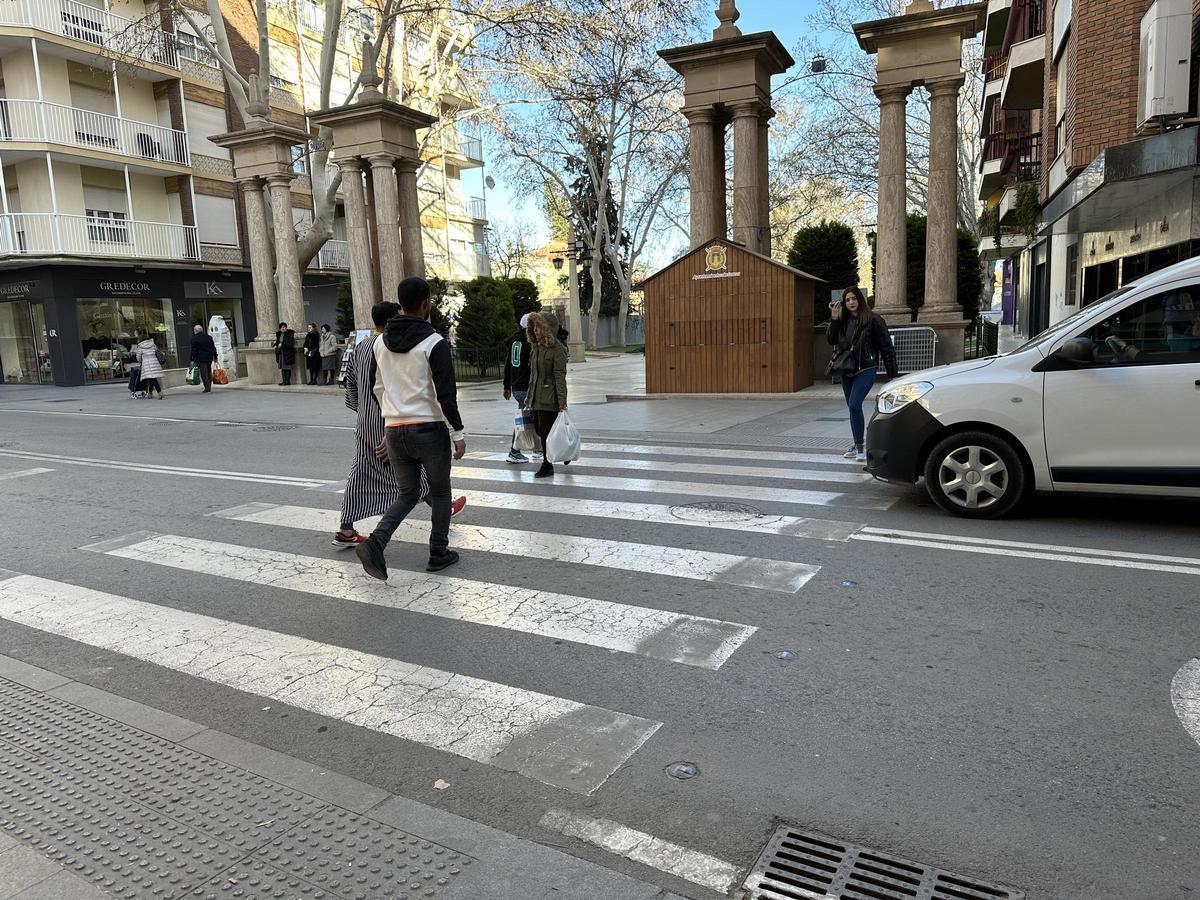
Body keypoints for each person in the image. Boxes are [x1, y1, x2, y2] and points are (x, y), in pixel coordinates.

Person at [356, 277, 466, 580]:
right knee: (441, 492)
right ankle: (438, 552)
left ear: (401, 304)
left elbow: (376, 387)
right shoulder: (434, 343)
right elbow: (446, 394)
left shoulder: (380, 343)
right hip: (428, 429)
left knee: (407, 493)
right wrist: (458, 432)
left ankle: (377, 541)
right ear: (426, 303)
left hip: (395, 429)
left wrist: (390, 419)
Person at [827, 286, 897, 462]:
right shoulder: (841, 320)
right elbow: (831, 340)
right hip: (846, 369)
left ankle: (860, 448)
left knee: (855, 404)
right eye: (848, 300)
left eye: (854, 299)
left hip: (866, 368)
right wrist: (834, 319)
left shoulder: (873, 320)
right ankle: (858, 444)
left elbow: (886, 347)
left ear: (860, 300)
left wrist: (892, 374)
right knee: (852, 408)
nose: (851, 302)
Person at [526, 311, 568, 479]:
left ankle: (547, 464)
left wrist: (562, 400)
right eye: (533, 327)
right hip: (537, 396)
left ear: (547, 328)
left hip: (550, 397)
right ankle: (564, 452)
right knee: (539, 430)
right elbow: (533, 375)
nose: (535, 330)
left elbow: (559, 376)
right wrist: (529, 395)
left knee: (545, 432)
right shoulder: (536, 347)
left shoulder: (557, 349)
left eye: (538, 327)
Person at [503, 312, 533, 464]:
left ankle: (536, 448)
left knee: (527, 418)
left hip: (516, 385)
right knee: (523, 420)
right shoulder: (529, 342)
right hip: (525, 385)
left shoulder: (514, 340)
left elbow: (508, 364)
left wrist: (506, 386)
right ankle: (514, 451)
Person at [133, 331, 166, 400]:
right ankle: (150, 393)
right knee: (151, 378)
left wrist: (141, 361)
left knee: (153, 379)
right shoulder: (152, 344)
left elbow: (138, 357)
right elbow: (156, 352)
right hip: (154, 362)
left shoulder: (140, 347)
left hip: (146, 363)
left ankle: (160, 393)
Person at [189, 324, 217, 393]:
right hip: (209, 357)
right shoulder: (209, 337)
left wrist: (192, 359)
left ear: (195, 331)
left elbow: (193, 350)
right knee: (208, 372)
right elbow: (213, 348)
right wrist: (215, 356)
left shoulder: (194, 339)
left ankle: (207, 388)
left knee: (203, 373)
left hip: (201, 358)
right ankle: (208, 386)